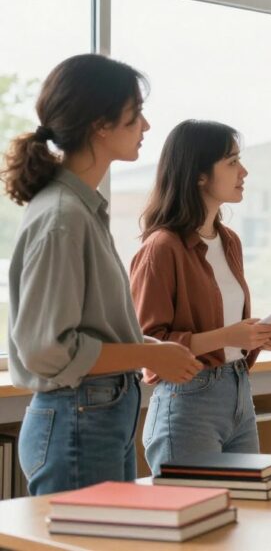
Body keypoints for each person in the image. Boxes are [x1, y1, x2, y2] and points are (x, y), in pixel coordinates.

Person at [2, 54, 201, 494]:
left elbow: (88, 329)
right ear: (101, 125)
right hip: (79, 420)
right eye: (136, 115)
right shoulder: (63, 217)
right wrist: (150, 356)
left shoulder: (81, 210)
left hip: (93, 417)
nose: (146, 127)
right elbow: (46, 350)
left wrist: (150, 347)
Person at [130, 120, 271, 474]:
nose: (243, 171)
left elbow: (226, 329)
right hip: (188, 403)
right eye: (232, 162)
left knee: (245, 518)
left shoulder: (229, 240)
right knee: (196, 523)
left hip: (238, 394)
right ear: (199, 175)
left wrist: (257, 337)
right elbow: (149, 348)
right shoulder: (161, 247)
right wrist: (227, 337)